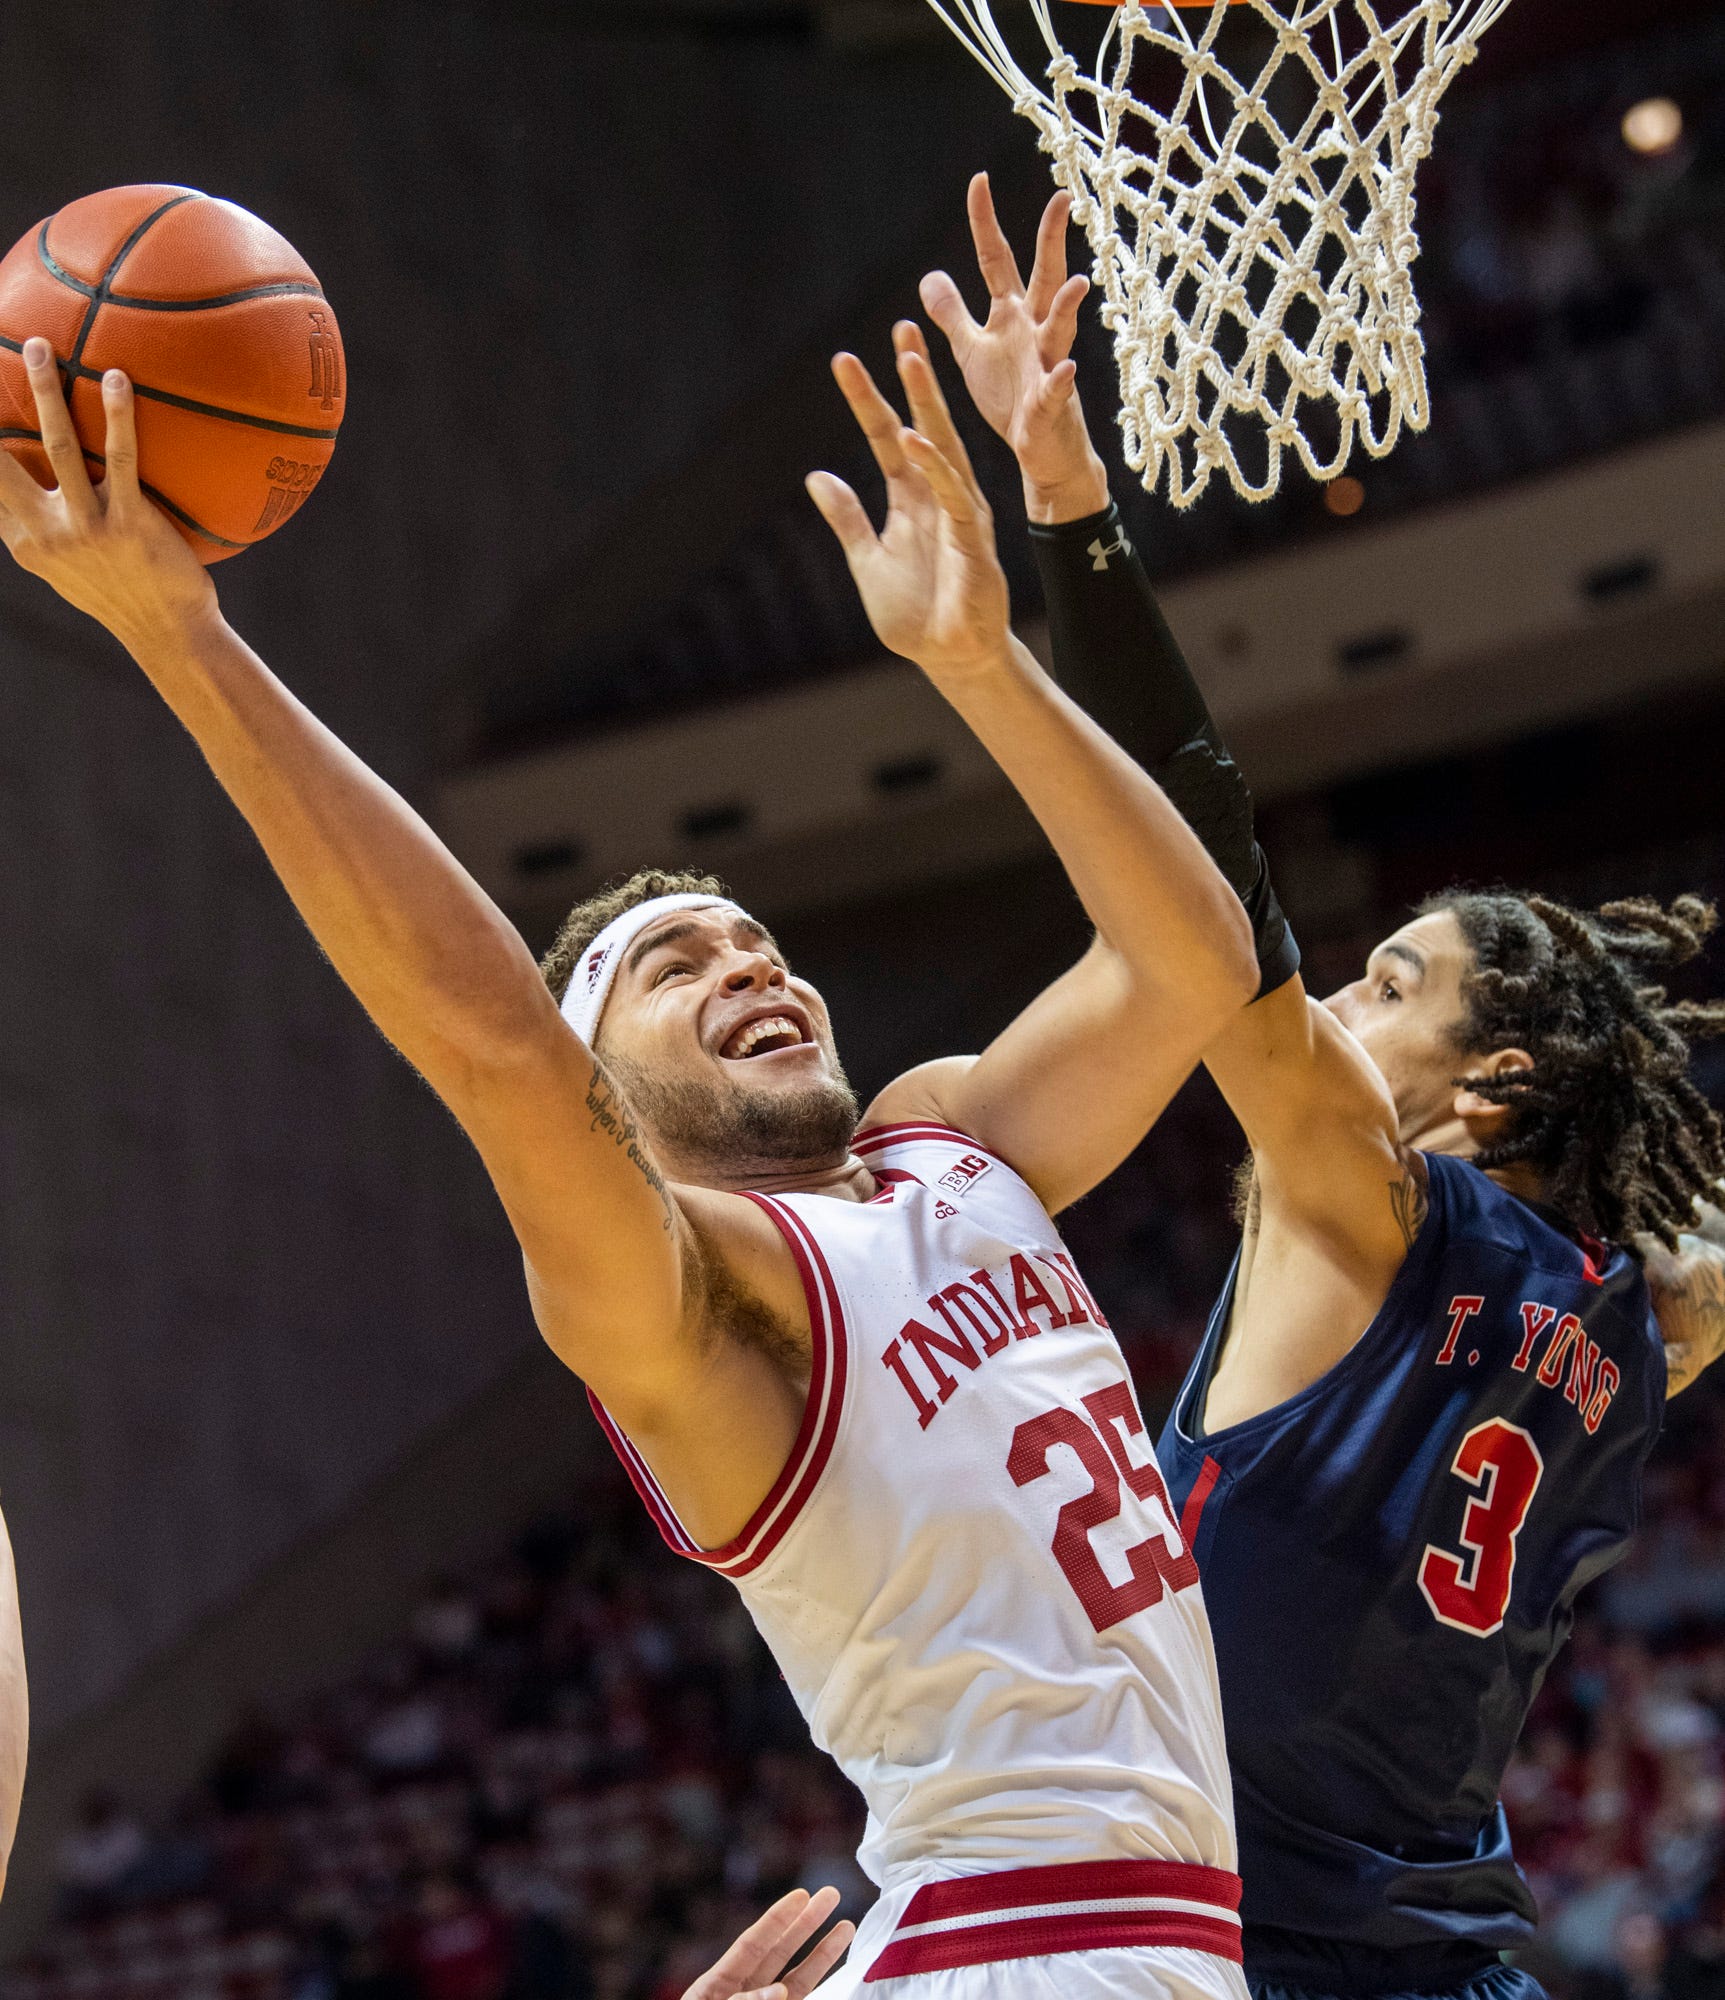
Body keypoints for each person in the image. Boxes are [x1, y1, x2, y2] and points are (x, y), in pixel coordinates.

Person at [0, 328, 1260, 1994]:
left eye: (755, 943)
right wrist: (184, 636)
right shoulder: (690, 1297)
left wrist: (977, 664)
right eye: (678, 968)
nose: (750, 966)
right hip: (1024, 1951)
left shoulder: (948, 1149)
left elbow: (1190, 958)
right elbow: (496, 1049)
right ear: (609, 1093)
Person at [919, 172, 1725, 2000]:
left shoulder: (1369, 1192)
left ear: (1491, 1088)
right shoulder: (1643, 1321)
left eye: (1387, 986)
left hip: (1259, 1961)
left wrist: (1065, 510)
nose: (1334, 1011)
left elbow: (1210, 891)